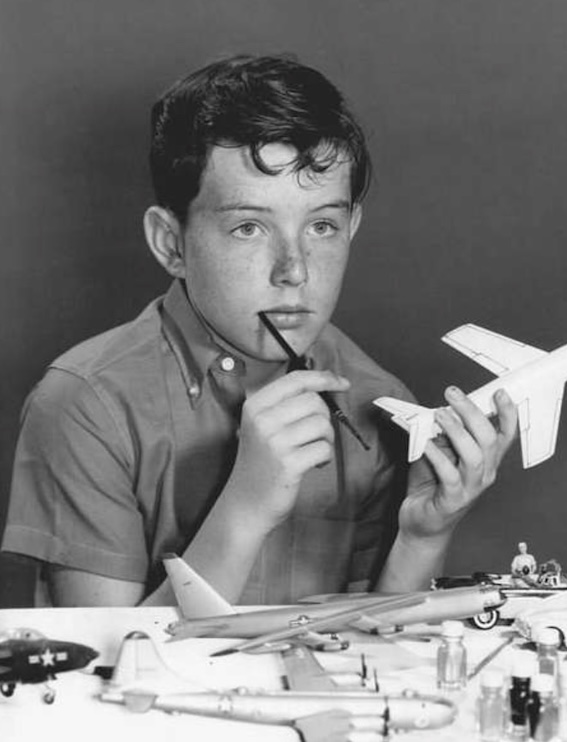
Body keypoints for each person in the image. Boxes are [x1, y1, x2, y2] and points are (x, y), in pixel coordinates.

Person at [1, 54, 517, 607]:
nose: (294, 269)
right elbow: (100, 671)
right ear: (171, 243)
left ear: (353, 227)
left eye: (322, 226)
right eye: (249, 228)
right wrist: (245, 507)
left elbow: (383, 661)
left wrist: (422, 538)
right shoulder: (85, 403)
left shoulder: (381, 405)